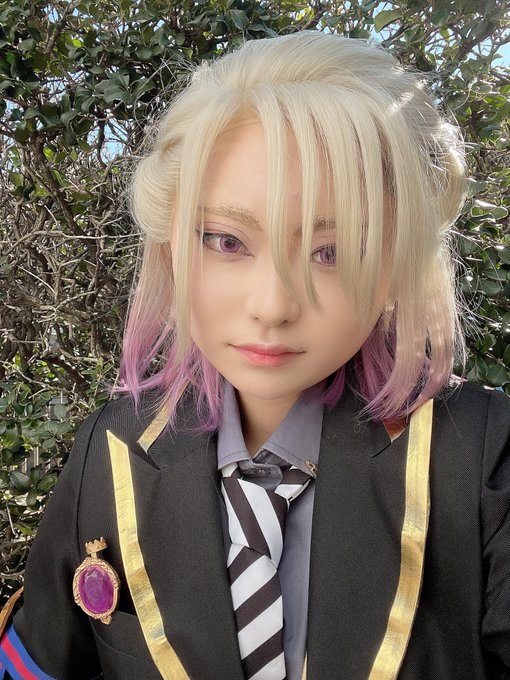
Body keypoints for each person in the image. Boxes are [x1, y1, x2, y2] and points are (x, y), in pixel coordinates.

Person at [0, 31, 509, 680]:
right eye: (226, 241)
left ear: (396, 265)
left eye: (331, 252)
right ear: (171, 246)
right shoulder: (113, 447)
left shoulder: (482, 461)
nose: (272, 306)